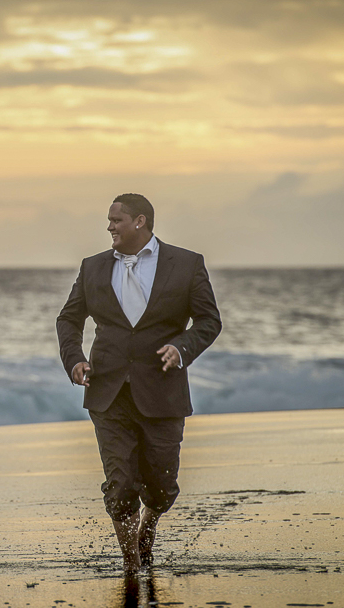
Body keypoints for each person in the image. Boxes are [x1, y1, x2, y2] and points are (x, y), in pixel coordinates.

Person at [56, 193, 221, 574]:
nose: (109, 226)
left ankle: (148, 526)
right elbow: (69, 319)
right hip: (107, 391)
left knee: (162, 488)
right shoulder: (93, 266)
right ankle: (131, 563)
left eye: (116, 220)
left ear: (140, 222)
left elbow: (209, 321)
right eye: (109, 220)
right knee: (120, 483)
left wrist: (181, 348)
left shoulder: (187, 263)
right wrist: (75, 358)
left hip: (163, 391)